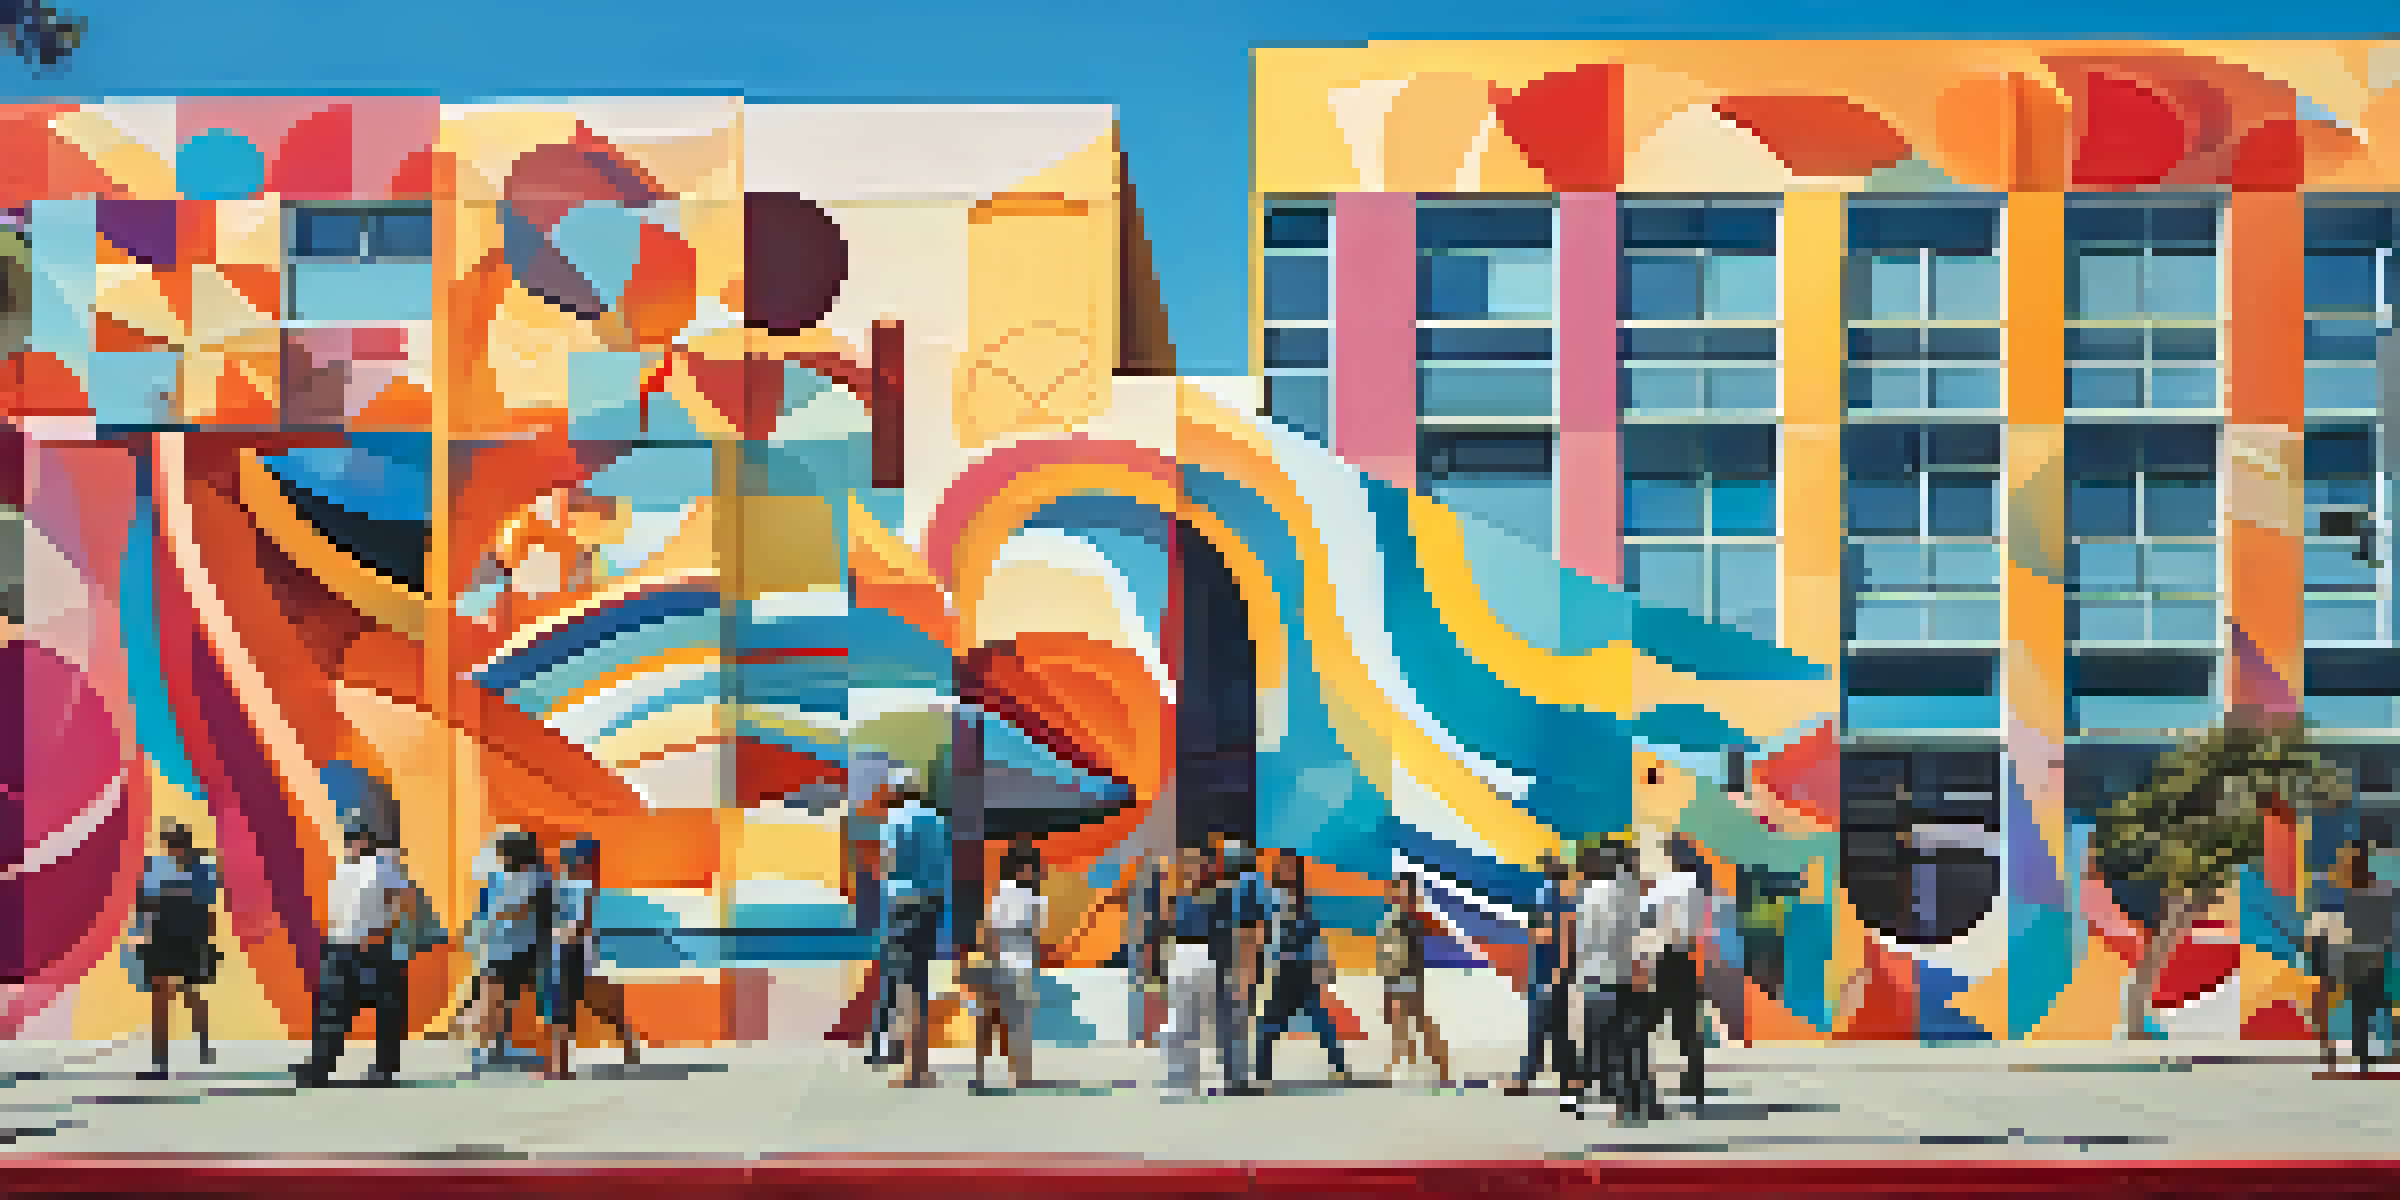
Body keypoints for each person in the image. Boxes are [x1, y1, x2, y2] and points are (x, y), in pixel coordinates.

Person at [295, 822, 417, 1087]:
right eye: (349, 839)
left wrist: (382, 932)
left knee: (385, 1009)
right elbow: (337, 909)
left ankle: (383, 1069)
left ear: (367, 841)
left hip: (374, 947)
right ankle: (321, 1067)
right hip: (342, 946)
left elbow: (403, 902)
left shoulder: (383, 866)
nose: (352, 844)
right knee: (332, 1010)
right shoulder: (344, 869)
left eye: (356, 839)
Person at [1570, 840, 1662, 1124]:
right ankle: (1641, 1100)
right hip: (1624, 978)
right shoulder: (1628, 894)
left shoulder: (1587, 895)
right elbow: (1639, 936)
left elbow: (1581, 941)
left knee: (1606, 1045)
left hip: (1594, 978)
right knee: (1632, 1043)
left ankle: (1622, 1100)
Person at [544, 836, 642, 1080]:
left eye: (573, 860)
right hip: (562, 955)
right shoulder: (561, 887)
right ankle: (561, 1065)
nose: (567, 864)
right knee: (565, 1011)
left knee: (592, 1007)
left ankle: (627, 1045)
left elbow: (582, 923)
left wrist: (563, 937)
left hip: (575, 954)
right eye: (566, 859)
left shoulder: (583, 888)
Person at [129, 819, 221, 1079]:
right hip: (161, 938)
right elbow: (143, 905)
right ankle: (160, 1062)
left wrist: (206, 943)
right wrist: (141, 937)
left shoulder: (202, 869)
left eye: (176, 844)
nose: (172, 848)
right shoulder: (155, 867)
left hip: (190, 939)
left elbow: (207, 909)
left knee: (189, 994)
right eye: (169, 844)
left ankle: (203, 1039)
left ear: (186, 845)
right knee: (160, 997)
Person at [875, 782, 950, 1088]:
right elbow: (945, 865)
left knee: (905, 985)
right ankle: (921, 1065)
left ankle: (913, 1070)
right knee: (919, 981)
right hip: (932, 904)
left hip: (903, 903)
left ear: (897, 793)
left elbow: (888, 861)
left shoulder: (895, 819)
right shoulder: (937, 820)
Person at [1254, 853, 1352, 1085]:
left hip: (1305, 972)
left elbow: (1316, 937)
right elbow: (1266, 936)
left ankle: (1340, 1068)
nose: (1284, 871)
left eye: (1289, 867)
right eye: (1281, 867)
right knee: (1267, 1027)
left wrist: (1325, 966)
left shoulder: (1305, 902)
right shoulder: (1271, 900)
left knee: (1322, 1023)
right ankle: (1262, 1075)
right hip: (1284, 972)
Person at [472, 830, 553, 1072]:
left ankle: (497, 1048)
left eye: (503, 851)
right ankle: (493, 1048)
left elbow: (529, 911)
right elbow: (487, 910)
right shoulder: (501, 878)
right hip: (501, 947)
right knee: (497, 997)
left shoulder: (535, 877)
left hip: (517, 948)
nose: (500, 856)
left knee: (503, 998)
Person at [975, 845, 1048, 1090]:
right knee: (1002, 1020)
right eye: (1028, 866)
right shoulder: (1013, 892)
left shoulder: (1031, 897)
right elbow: (991, 928)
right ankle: (1005, 1073)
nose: (1031, 871)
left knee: (1010, 1020)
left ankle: (1014, 1073)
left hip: (1017, 965)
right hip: (1008, 965)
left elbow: (1033, 935)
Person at [1646, 838, 1710, 1108]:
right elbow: (1697, 927)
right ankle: (1694, 1082)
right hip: (1686, 958)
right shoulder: (1695, 886)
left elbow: (1646, 916)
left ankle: (1639, 1078)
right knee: (1688, 1023)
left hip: (1664, 956)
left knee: (1647, 1020)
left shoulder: (1663, 884)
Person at [1507, 853, 1578, 1097]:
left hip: (1548, 973)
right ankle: (1567, 1079)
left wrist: (1559, 969)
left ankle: (1532, 1078)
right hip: (1547, 972)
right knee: (1554, 1027)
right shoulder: (1555, 898)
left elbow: (1561, 935)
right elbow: (1545, 935)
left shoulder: (1553, 898)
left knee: (1544, 1027)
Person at [1376, 874, 1455, 1087]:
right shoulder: (1394, 917)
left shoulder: (1413, 918)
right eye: (1396, 890)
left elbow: (1408, 949)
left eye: (1402, 890)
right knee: (1402, 1022)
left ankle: (1440, 1065)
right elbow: (1386, 951)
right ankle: (1408, 1064)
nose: (1397, 894)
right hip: (1395, 975)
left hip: (1407, 975)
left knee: (1415, 1021)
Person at [1159, 842, 1220, 1099]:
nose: (1193, 868)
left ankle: (1198, 1079)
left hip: (1208, 958)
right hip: (1183, 958)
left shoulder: (1217, 897)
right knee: (1181, 1024)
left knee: (1204, 1024)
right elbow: (1166, 930)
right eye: (1189, 862)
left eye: (1197, 862)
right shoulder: (1177, 898)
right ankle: (1180, 1080)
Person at [1214, 839, 1269, 1093]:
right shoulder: (1250, 883)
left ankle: (1232, 1074)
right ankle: (1237, 1077)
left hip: (1224, 961)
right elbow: (1250, 930)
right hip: (1239, 962)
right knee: (1239, 1017)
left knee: (1229, 1018)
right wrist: (1248, 970)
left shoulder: (1226, 887)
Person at [2337, 840, 2395, 1072]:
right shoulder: (2376, 891)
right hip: (2368, 955)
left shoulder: (2352, 892)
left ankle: (2363, 1053)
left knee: (2364, 1006)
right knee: (2370, 1004)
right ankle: (2364, 1053)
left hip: (2361, 955)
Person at [1123, 853, 1168, 1048]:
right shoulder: (1150, 892)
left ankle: (1144, 1033)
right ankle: (1145, 1033)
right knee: (1147, 987)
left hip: (1147, 944)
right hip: (1148, 944)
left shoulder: (1139, 890)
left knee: (1145, 987)